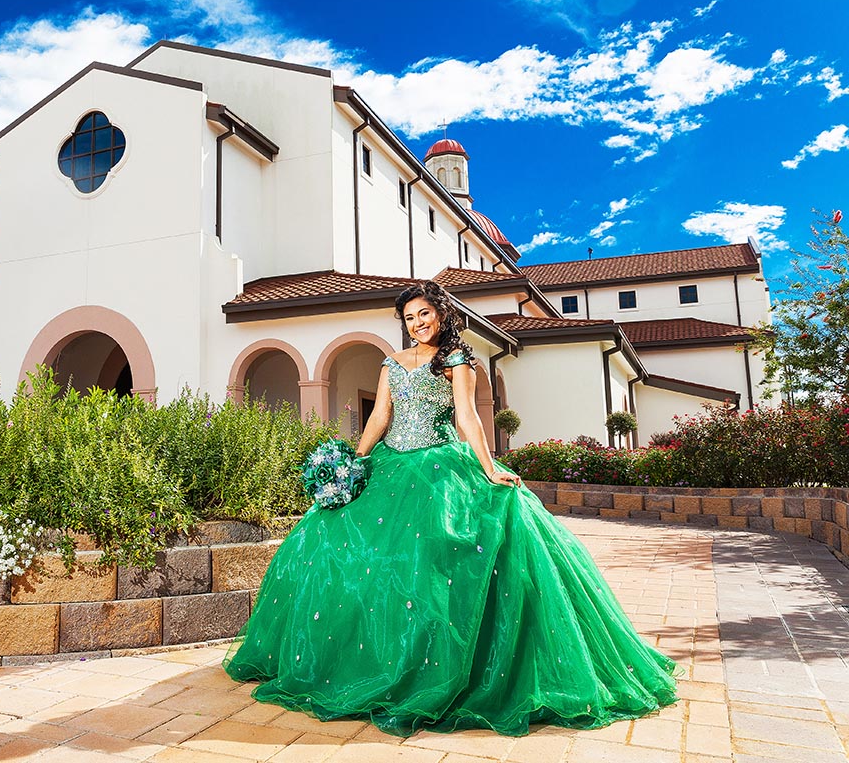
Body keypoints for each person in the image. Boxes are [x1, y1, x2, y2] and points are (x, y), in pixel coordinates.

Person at [223, 280, 679, 737]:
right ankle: (361, 659)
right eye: (409, 318)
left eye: (424, 314)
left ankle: (442, 668)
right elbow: (380, 417)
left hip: (439, 468)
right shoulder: (390, 364)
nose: (417, 324)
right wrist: (354, 464)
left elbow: (467, 417)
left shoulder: (457, 362)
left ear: (440, 314)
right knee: (339, 544)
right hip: (389, 467)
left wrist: (489, 468)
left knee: (440, 559)